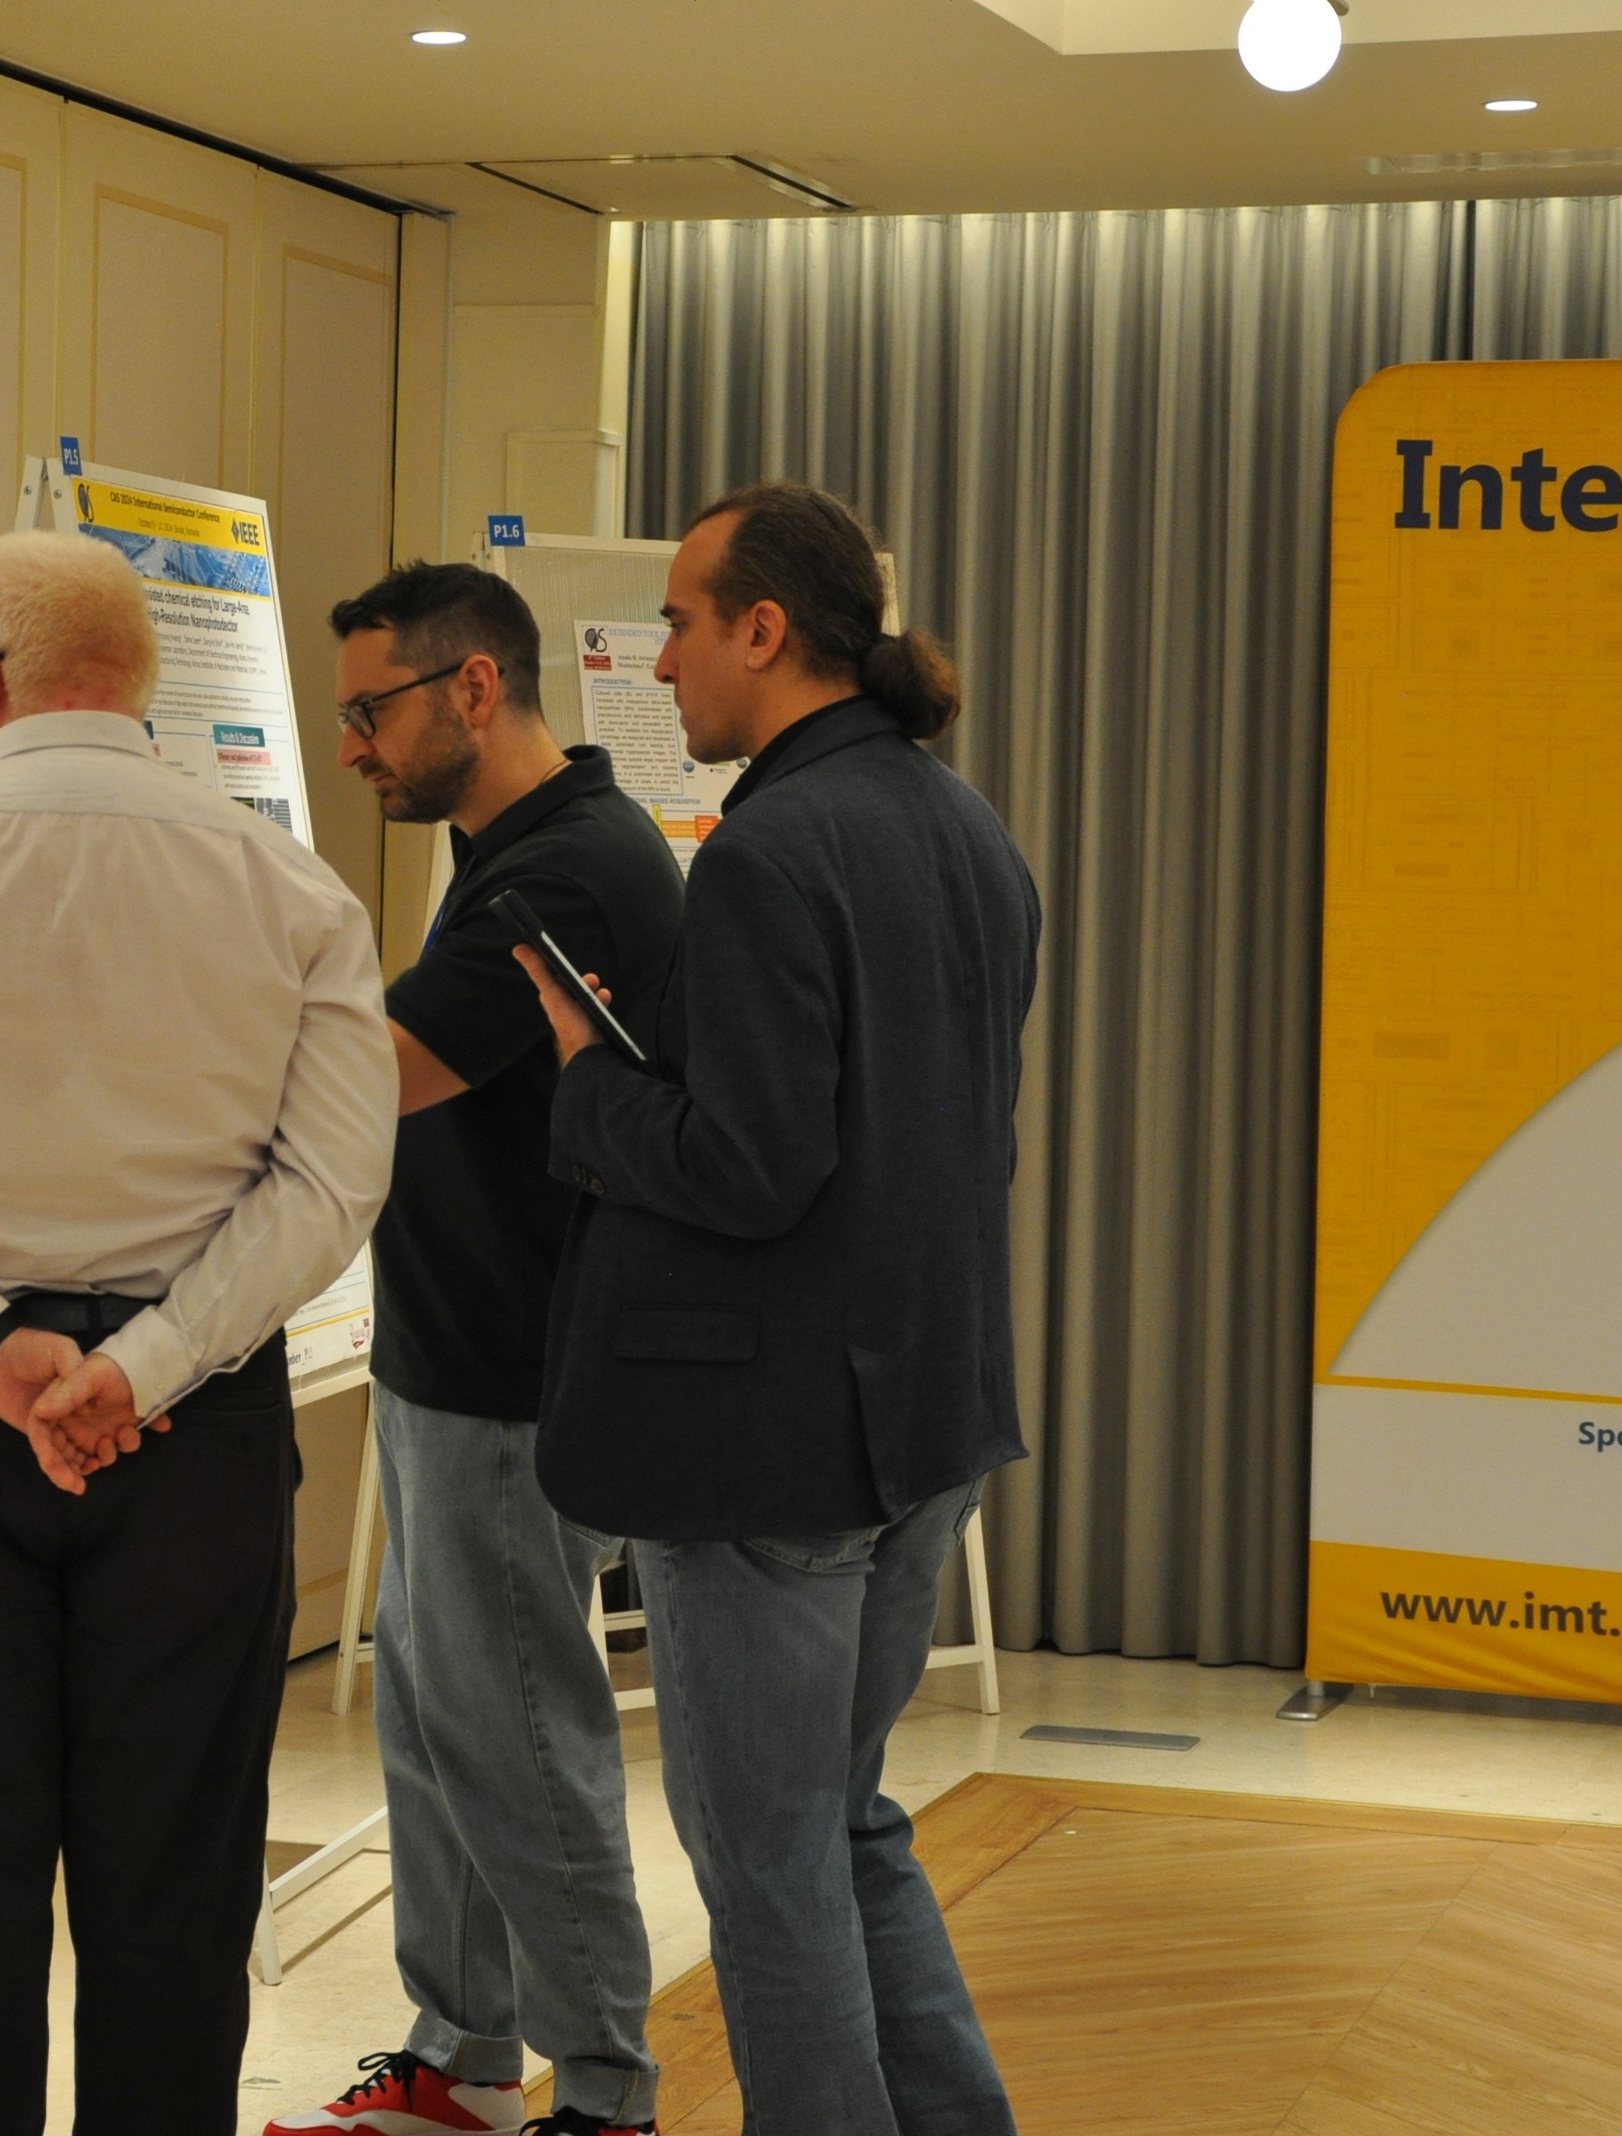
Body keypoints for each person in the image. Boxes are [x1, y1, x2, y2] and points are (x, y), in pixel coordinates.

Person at [0, 529, 394, 2135]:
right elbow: (333, 1181)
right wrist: (142, 1365)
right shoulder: (292, 890)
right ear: (144, 681)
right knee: (175, 1900)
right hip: (195, 1433)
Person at [515, 484, 1039, 2135]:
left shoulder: (768, 853)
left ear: (766, 630)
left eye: (680, 623)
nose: (659, 660)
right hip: (923, 1418)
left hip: (770, 1457)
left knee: (766, 1860)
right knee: (843, 1822)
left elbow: (749, 1166)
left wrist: (589, 1078)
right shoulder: (968, 829)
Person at [270, 563, 681, 2136]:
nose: (351, 746)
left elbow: (383, 1070)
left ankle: (606, 2094)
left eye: (370, 711)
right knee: (441, 1723)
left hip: (519, 1374)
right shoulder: (507, 849)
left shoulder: (571, 865)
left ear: (475, 688)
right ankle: (463, 2061)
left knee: (516, 1738)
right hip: (450, 1361)